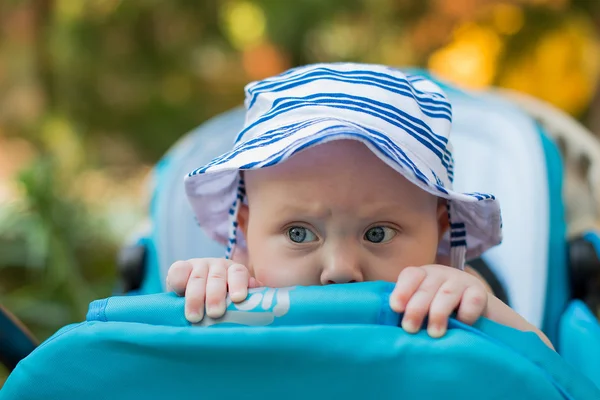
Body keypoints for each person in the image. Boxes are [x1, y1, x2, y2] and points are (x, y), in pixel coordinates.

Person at [166, 62, 553, 348]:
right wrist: (207, 293)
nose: (340, 270)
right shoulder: (241, 290)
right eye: (299, 233)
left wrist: (482, 307)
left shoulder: (454, 294)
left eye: (378, 233)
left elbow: (551, 371)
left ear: (440, 230)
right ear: (246, 231)